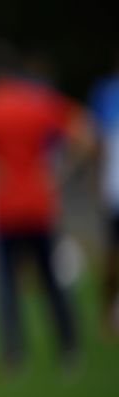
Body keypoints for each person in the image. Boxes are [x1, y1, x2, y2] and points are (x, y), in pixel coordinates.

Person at [0, 46, 93, 372]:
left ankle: (13, 354)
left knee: (5, 283)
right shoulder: (37, 100)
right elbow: (84, 133)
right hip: (39, 202)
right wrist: (59, 173)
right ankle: (69, 349)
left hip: (3, 204)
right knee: (50, 280)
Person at [88, 54, 119, 337]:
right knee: (111, 255)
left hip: (112, 189)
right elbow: (95, 141)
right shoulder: (107, 93)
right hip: (115, 190)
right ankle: (109, 312)